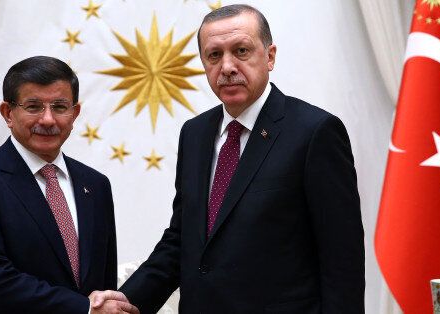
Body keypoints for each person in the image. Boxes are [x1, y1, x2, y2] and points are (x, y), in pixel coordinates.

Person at [91, 4, 365, 313]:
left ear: (270, 56)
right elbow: (183, 240)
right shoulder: (195, 133)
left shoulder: (315, 132)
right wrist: (129, 300)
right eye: (214, 55)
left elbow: (342, 260)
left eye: (242, 51)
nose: (228, 66)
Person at [0, 56, 137, 314]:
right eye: (33, 106)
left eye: (59, 106)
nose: (48, 119)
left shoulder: (95, 185)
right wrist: (83, 309)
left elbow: (102, 281)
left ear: (74, 113)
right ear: (8, 113)